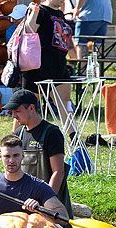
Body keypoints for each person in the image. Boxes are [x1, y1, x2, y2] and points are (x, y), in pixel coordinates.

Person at [5, 89, 73, 220]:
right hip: (26, 207)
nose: (13, 115)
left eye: (17, 111)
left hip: (50, 209)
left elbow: (58, 172)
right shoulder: (17, 135)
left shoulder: (51, 133)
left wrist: (47, 203)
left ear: (31, 108)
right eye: (11, 112)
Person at [20, 0, 75, 123]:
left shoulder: (60, 13)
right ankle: (15, 138)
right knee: (26, 105)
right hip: (39, 67)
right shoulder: (41, 11)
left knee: (65, 104)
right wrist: (34, 13)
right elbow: (29, 30)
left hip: (58, 65)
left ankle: (74, 138)